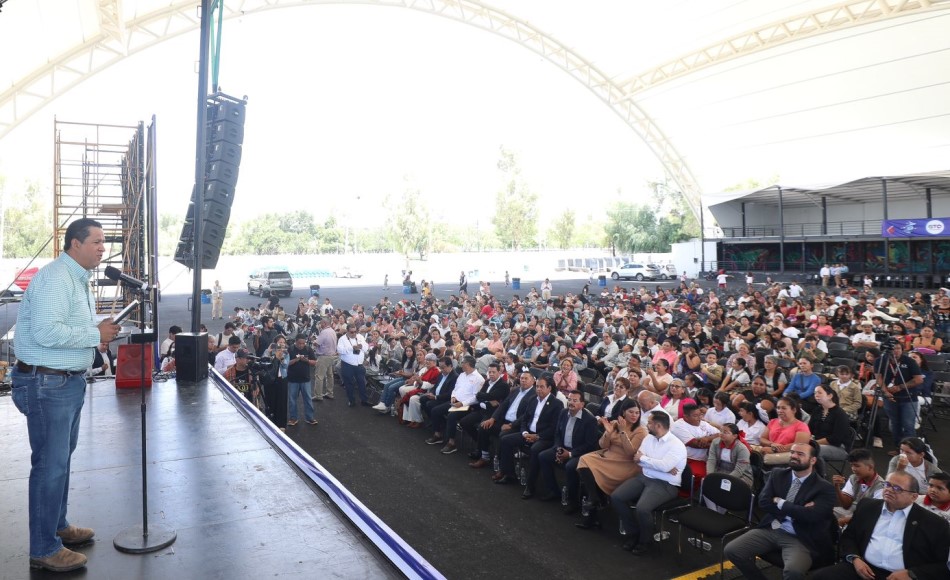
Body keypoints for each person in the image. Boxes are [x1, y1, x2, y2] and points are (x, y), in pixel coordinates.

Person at [11, 217, 121, 572]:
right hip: (47, 385)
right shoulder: (58, 278)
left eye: (104, 242)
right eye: (97, 242)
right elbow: (45, 332)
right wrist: (94, 334)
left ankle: (56, 527)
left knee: (59, 463)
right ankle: (44, 548)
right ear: (75, 244)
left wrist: (96, 333)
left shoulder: (76, 279)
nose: (103, 248)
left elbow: (66, 328)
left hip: (64, 382)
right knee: (50, 466)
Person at [724, 441, 837, 579]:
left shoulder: (824, 488)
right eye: (793, 452)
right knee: (732, 550)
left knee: (793, 571)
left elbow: (813, 516)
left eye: (800, 454)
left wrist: (780, 502)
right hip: (772, 528)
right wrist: (799, 509)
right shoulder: (778, 474)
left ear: (813, 460)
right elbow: (763, 502)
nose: (794, 456)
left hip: (800, 537)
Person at [812, 470, 950, 580]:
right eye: (887, 485)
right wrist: (854, 558)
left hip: (901, 576)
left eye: (897, 488)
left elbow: (942, 565)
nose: (889, 490)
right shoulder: (868, 506)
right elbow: (849, 537)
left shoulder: (935, 524)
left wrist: (912, 574)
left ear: (913, 497)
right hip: (862, 568)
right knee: (819, 577)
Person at [610, 411, 687, 554]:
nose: (647, 424)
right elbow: (636, 459)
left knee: (642, 508)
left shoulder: (676, 445)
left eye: (649, 423)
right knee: (617, 497)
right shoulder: (648, 439)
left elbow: (659, 465)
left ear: (658, 425)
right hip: (645, 477)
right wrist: (659, 466)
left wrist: (646, 460)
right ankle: (633, 533)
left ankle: (645, 541)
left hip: (666, 484)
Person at [575, 400, 647, 527]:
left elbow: (631, 452)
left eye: (637, 412)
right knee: (584, 460)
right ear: (624, 412)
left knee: (593, 474)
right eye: (631, 412)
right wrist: (608, 432)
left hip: (625, 463)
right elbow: (603, 445)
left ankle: (594, 507)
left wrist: (623, 431)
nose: (634, 415)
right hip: (608, 457)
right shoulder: (614, 424)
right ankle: (595, 499)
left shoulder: (641, 431)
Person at [493, 376, 564, 489]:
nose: (539, 389)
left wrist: (537, 436)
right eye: (537, 387)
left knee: (535, 449)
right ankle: (509, 474)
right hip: (528, 433)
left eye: (542, 387)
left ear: (549, 388)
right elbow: (525, 420)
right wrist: (525, 433)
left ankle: (530, 486)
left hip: (544, 437)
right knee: (505, 440)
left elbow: (554, 428)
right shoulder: (533, 399)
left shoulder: (556, 404)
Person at [536, 389, 599, 502]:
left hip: (579, 452)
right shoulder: (563, 412)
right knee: (543, 456)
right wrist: (558, 448)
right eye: (569, 399)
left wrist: (570, 454)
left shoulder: (590, 420)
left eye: (575, 400)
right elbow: (557, 434)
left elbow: (590, 445)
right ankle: (553, 491)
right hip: (563, 448)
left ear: (582, 404)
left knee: (570, 466)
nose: (571, 402)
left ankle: (572, 501)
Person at [874, 342, 923, 452]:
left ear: (902, 349)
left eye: (898, 348)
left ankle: (911, 451)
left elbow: (919, 379)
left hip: (908, 398)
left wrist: (900, 387)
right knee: (895, 424)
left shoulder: (909, 361)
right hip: (890, 397)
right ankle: (899, 449)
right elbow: (879, 378)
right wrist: (886, 392)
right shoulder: (880, 361)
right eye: (893, 349)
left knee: (908, 425)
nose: (895, 351)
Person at [831, 448, 884, 526]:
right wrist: (837, 487)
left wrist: (847, 520)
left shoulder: (881, 487)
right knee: (824, 512)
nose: (853, 469)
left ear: (870, 467)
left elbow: (871, 514)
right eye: (851, 465)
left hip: (865, 518)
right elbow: (846, 505)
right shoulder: (853, 478)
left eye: (857, 466)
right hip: (849, 512)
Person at [808, 385, 852, 462]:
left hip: (839, 447)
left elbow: (835, 439)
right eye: (815, 393)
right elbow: (809, 429)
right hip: (818, 443)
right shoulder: (817, 410)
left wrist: (813, 443)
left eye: (819, 393)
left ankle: (818, 473)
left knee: (812, 450)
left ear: (829, 396)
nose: (816, 395)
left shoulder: (840, 414)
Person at [287, 334, 317, 426]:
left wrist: (306, 361)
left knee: (308, 399)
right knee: (292, 400)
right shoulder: (290, 349)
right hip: (292, 379)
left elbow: (314, 362)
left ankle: (310, 417)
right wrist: (296, 360)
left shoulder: (308, 349)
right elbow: (285, 363)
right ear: (295, 341)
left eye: (303, 343)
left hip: (305, 379)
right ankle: (293, 418)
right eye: (299, 343)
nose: (301, 345)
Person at [337, 324, 370, 407]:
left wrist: (362, 346)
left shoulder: (360, 337)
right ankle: (351, 401)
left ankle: (364, 400)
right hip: (347, 365)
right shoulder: (342, 339)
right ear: (347, 331)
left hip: (359, 364)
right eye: (352, 332)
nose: (354, 333)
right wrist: (352, 348)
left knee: (362, 383)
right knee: (349, 384)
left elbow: (366, 347)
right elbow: (340, 350)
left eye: (355, 331)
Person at [311, 317, 337, 401]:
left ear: (325, 323)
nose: (320, 324)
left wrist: (313, 341)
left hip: (324, 357)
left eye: (321, 323)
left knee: (319, 376)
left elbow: (317, 344)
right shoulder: (332, 331)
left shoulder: (324, 332)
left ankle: (318, 395)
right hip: (331, 356)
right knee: (330, 376)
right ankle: (330, 393)